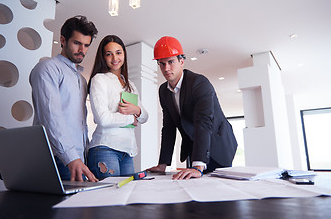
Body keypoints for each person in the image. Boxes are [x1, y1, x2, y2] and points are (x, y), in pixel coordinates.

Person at [147, 36, 238, 180]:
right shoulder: (163, 91)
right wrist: (163, 164)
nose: (166, 68)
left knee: (219, 191)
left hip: (217, 145)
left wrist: (198, 165)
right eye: (161, 64)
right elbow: (169, 128)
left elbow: (203, 122)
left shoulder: (199, 83)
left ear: (181, 61)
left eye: (171, 62)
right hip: (193, 145)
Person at [30, 15, 98, 182]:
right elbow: (51, 116)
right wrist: (71, 158)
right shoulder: (47, 68)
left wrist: (83, 157)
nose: (82, 49)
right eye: (77, 43)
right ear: (63, 40)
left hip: (78, 159)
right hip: (58, 158)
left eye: (86, 45)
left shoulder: (81, 80)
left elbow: (80, 123)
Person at [87, 35, 148, 179]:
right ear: (103, 57)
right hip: (105, 148)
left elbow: (144, 116)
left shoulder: (130, 84)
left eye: (118, 52)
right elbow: (102, 119)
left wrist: (137, 111)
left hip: (128, 151)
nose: (115, 58)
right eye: (109, 54)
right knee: (109, 198)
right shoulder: (99, 79)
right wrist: (131, 118)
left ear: (124, 54)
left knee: (125, 198)